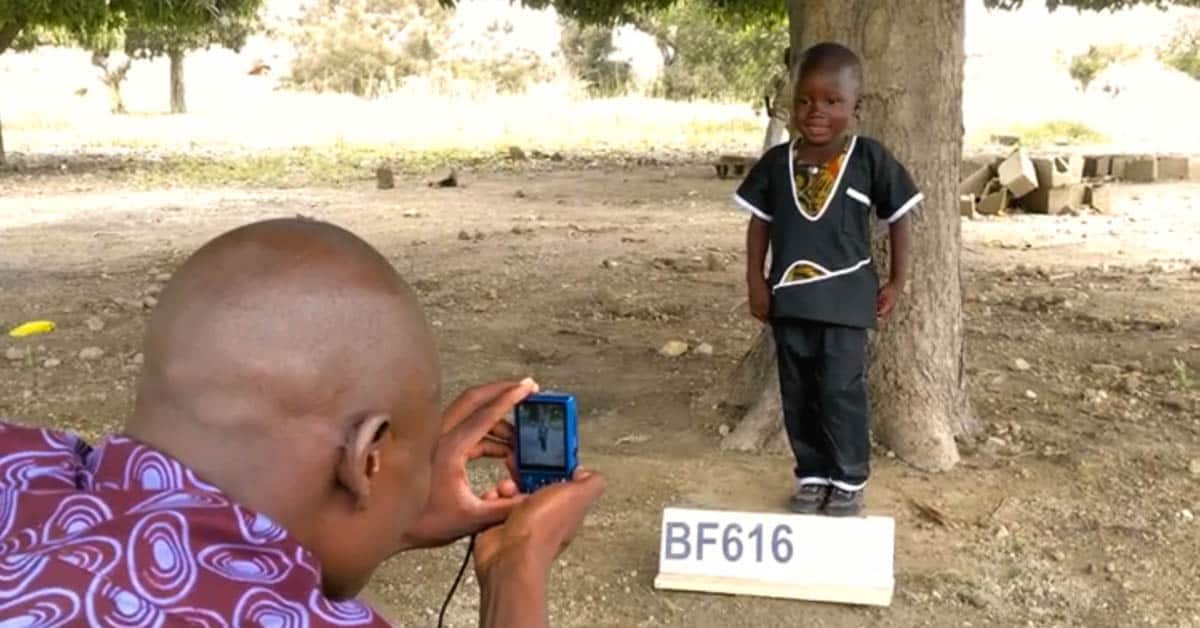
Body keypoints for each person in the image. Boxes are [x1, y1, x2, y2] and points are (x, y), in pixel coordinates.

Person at [0, 218, 605, 626]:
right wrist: (516, 567)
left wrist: (389, 521)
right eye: (417, 467)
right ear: (368, 458)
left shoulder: (20, 466)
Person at [734, 42, 921, 517]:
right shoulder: (777, 163)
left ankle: (850, 476)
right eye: (805, 100)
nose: (816, 111)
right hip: (790, 300)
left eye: (832, 101)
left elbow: (899, 216)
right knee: (797, 387)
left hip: (847, 300)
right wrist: (756, 281)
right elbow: (760, 223)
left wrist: (898, 280)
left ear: (855, 107)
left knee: (841, 388)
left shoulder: (868, 159)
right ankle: (813, 473)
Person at [761, 46, 794, 154]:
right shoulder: (780, 75)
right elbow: (767, 92)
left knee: (797, 138)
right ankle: (767, 159)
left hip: (795, 112)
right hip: (780, 110)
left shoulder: (799, 74)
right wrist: (768, 108)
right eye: (787, 58)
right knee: (772, 139)